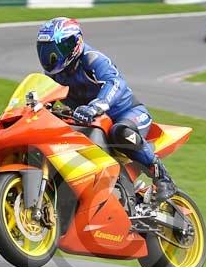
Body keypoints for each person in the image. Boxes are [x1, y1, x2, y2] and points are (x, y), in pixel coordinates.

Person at [36, 17, 176, 202]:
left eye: (57, 50)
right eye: (46, 51)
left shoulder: (92, 59)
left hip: (127, 113)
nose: (51, 57)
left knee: (120, 132)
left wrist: (97, 105)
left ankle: (163, 177)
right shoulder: (54, 74)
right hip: (92, 123)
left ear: (74, 43)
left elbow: (115, 82)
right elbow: (47, 98)